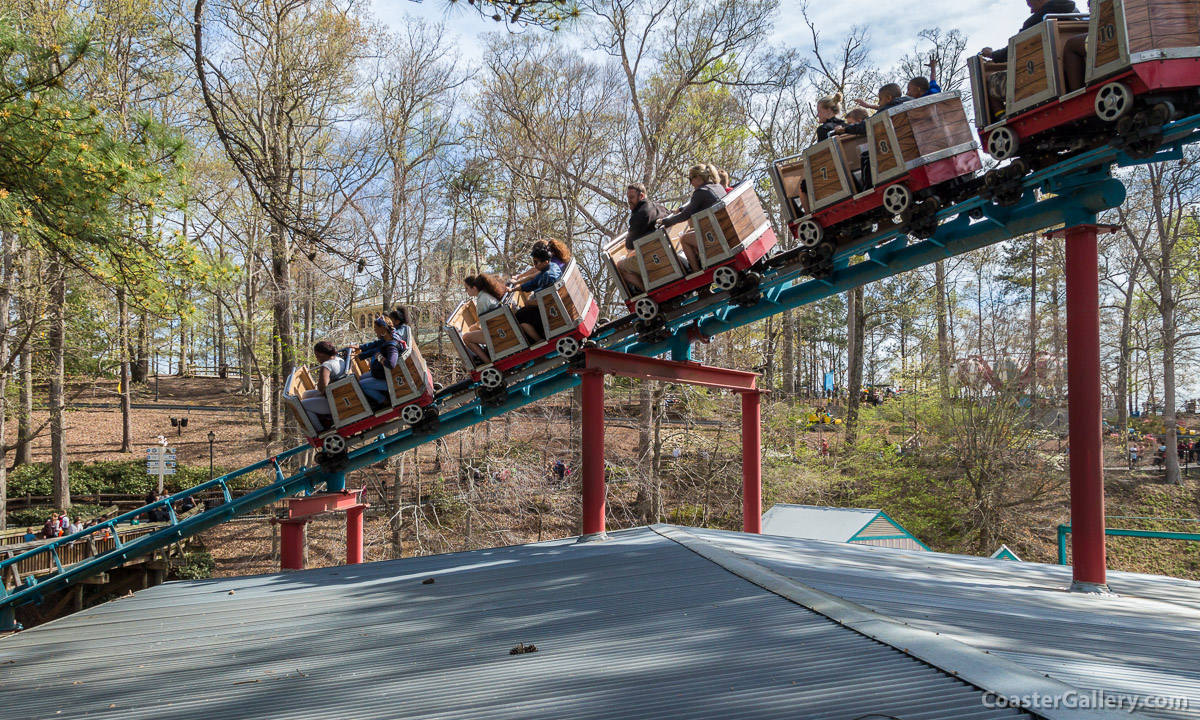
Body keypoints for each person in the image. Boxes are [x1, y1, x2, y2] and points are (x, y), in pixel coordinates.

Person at [981, 0, 1085, 91]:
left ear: (1040, 0)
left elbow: (1013, 49)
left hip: (1046, 77)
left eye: (1031, 6)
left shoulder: (1038, 20)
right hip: (1076, 71)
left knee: (991, 81)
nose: (1031, 11)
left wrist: (991, 54)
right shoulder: (1075, 13)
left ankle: (1002, 113)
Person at [659, 164, 727, 272]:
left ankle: (697, 272)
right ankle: (702, 260)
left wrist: (665, 222)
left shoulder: (700, 192)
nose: (690, 183)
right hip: (724, 230)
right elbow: (694, 206)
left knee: (684, 239)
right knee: (691, 231)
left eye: (690, 179)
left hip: (716, 235)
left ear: (698, 178)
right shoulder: (717, 186)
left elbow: (685, 216)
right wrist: (681, 209)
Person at [618, 183, 669, 294]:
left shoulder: (639, 215)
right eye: (628, 198)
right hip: (667, 253)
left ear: (641, 196)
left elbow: (629, 245)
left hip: (653, 258)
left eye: (631, 198)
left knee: (620, 266)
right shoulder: (660, 208)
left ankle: (647, 291)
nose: (629, 201)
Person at [508, 244, 563, 343]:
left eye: (536, 262)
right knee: (522, 313)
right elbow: (532, 284)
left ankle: (539, 340)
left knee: (517, 318)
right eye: (534, 262)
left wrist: (529, 303)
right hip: (547, 306)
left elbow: (546, 300)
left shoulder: (548, 276)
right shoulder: (549, 268)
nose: (535, 266)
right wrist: (513, 289)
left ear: (545, 261)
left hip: (550, 311)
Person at [461, 274, 508, 364]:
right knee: (472, 329)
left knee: (466, 337)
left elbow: (484, 324)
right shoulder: (486, 294)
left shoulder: (482, 300)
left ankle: (487, 362)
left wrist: (477, 325)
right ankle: (487, 352)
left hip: (497, 332)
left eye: (466, 288)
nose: (466, 291)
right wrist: (476, 326)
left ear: (474, 288)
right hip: (499, 326)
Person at [300, 340, 346, 431]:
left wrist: (320, 379)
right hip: (338, 393)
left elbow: (322, 389)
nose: (317, 359)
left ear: (320, 354)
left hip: (335, 401)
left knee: (301, 406)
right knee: (305, 395)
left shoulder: (326, 365)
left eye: (316, 356)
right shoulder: (339, 359)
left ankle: (321, 430)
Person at [357, 317, 402, 407]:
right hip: (383, 374)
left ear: (382, 328)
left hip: (390, 380)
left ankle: (384, 401)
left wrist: (379, 357)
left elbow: (391, 364)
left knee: (360, 386)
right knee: (361, 378)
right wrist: (360, 353)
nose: (374, 330)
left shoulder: (391, 346)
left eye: (375, 328)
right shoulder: (389, 338)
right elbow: (375, 347)